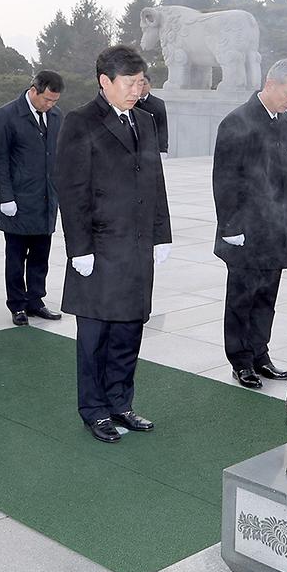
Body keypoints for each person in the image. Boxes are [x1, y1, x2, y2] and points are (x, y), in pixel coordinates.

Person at [55, 45, 172, 443]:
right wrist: (79, 249)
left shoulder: (145, 120)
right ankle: (94, 410)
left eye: (142, 82)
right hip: (100, 248)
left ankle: (120, 402)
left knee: (128, 330)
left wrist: (162, 234)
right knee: (95, 336)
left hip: (137, 248)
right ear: (105, 82)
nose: (137, 89)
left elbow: (155, 181)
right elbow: (71, 190)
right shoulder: (80, 122)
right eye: (130, 82)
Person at [212, 59, 287, 389]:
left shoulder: (286, 123)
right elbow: (224, 180)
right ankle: (241, 360)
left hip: (275, 227)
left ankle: (260, 354)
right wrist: (231, 228)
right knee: (242, 297)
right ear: (270, 83)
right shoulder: (237, 121)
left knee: (267, 295)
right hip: (245, 229)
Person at [0, 70, 64, 325]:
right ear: (33, 90)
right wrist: (5, 197)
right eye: (47, 99)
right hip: (18, 201)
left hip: (45, 201)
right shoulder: (7, 115)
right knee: (16, 257)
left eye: (55, 101)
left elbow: (58, 157)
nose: (50, 105)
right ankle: (17, 305)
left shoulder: (55, 116)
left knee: (40, 256)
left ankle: (36, 300)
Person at [136, 74, 169, 159]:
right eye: (139, 84)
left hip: (151, 148)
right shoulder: (130, 102)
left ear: (150, 85)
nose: (142, 87)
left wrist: (163, 149)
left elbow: (163, 127)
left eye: (144, 84)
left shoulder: (158, 104)